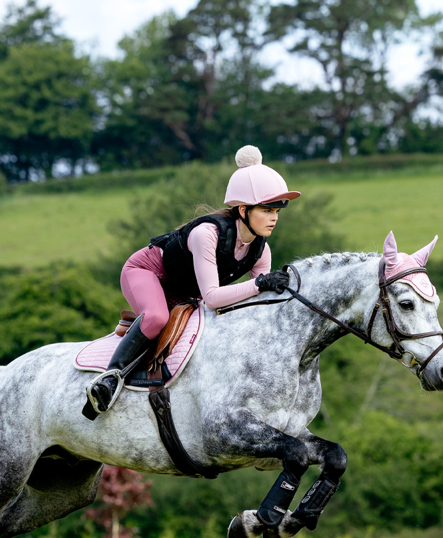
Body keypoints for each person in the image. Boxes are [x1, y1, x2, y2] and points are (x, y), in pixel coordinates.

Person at [86, 145, 301, 414]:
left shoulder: (261, 250)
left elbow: (258, 304)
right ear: (244, 210)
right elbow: (212, 298)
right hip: (149, 272)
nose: (274, 218)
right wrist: (259, 283)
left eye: (277, 212)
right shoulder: (206, 234)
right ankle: (108, 380)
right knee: (156, 318)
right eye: (267, 210)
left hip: (188, 292)